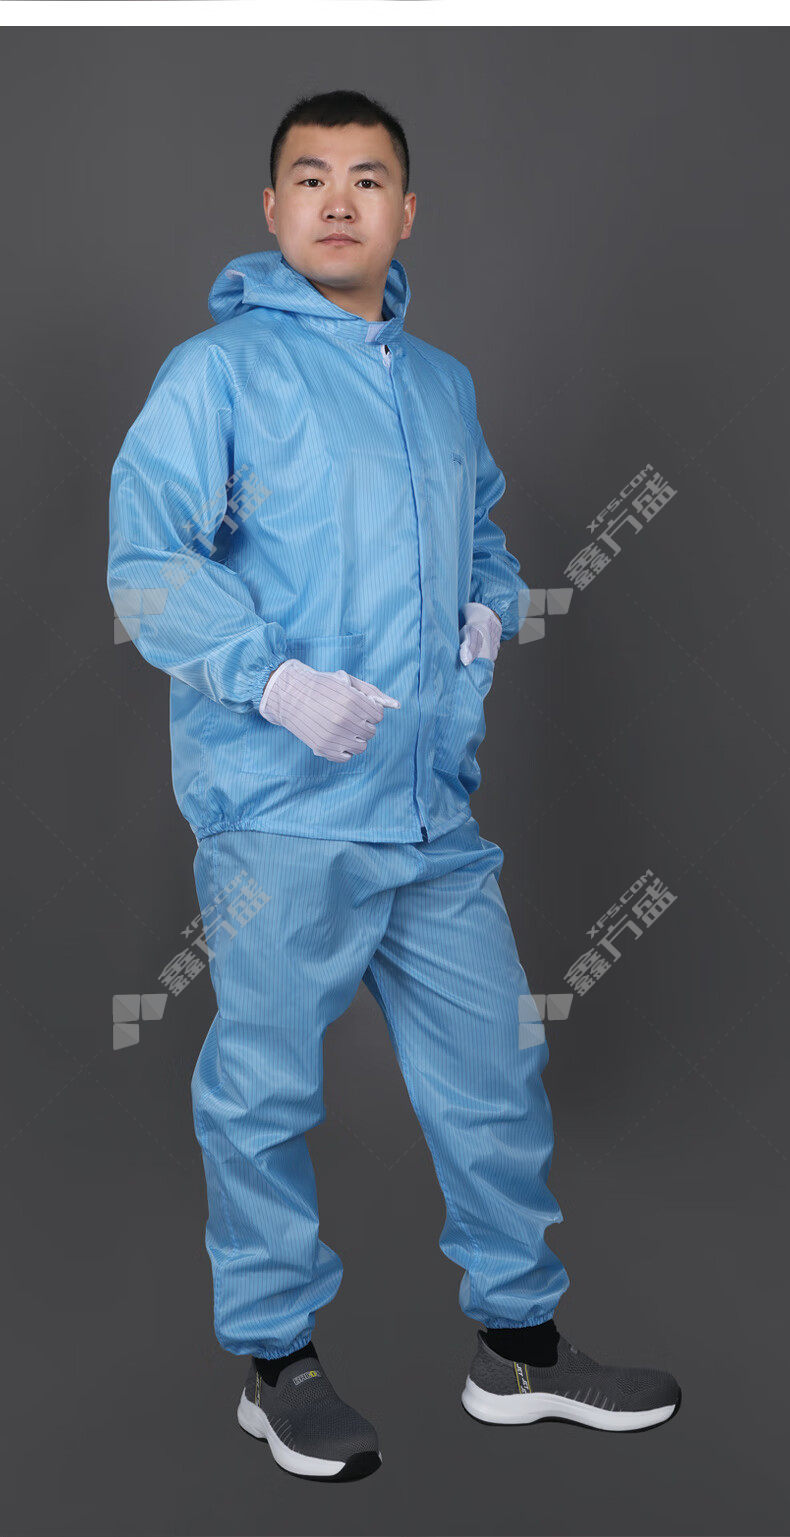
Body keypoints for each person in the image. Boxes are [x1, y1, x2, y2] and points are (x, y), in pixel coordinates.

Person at [107, 88, 681, 1483]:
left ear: (406, 212)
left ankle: (518, 1348)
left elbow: (481, 534)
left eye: (367, 178)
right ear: (272, 209)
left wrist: (488, 607)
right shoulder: (218, 373)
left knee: (494, 1072)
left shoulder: (439, 386)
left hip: (428, 814)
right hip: (282, 813)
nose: (339, 200)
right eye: (310, 176)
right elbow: (147, 562)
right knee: (263, 1093)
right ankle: (275, 1361)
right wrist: (271, 683)